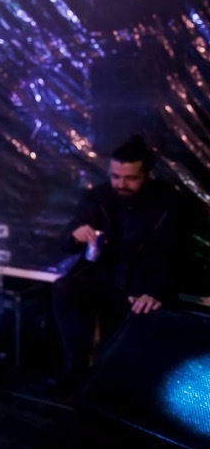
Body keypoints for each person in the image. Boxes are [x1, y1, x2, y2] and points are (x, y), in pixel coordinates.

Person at [49, 134, 194, 392]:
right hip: (103, 279)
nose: (121, 184)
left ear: (147, 174)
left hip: (142, 284)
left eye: (131, 178)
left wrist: (157, 291)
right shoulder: (97, 198)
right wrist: (75, 235)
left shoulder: (168, 202)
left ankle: (123, 383)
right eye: (116, 176)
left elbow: (178, 255)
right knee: (64, 287)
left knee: (130, 350)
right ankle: (75, 362)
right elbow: (65, 241)